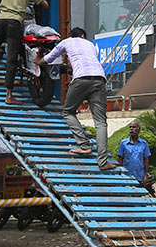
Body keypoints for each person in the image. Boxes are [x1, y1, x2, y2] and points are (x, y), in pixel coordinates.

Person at [36, 27, 117, 171]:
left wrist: (38, 61)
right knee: (100, 122)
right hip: (99, 79)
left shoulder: (66, 42)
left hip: (80, 80)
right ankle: (103, 162)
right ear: (83, 35)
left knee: (68, 112)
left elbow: (50, 58)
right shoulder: (91, 45)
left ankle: (84, 145)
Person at [117, 120, 151, 184]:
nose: (131, 129)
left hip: (140, 177)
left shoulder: (143, 143)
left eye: (134, 127)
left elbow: (146, 159)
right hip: (127, 177)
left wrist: (146, 174)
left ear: (139, 129)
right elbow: (120, 160)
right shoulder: (123, 143)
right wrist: (120, 174)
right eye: (130, 127)